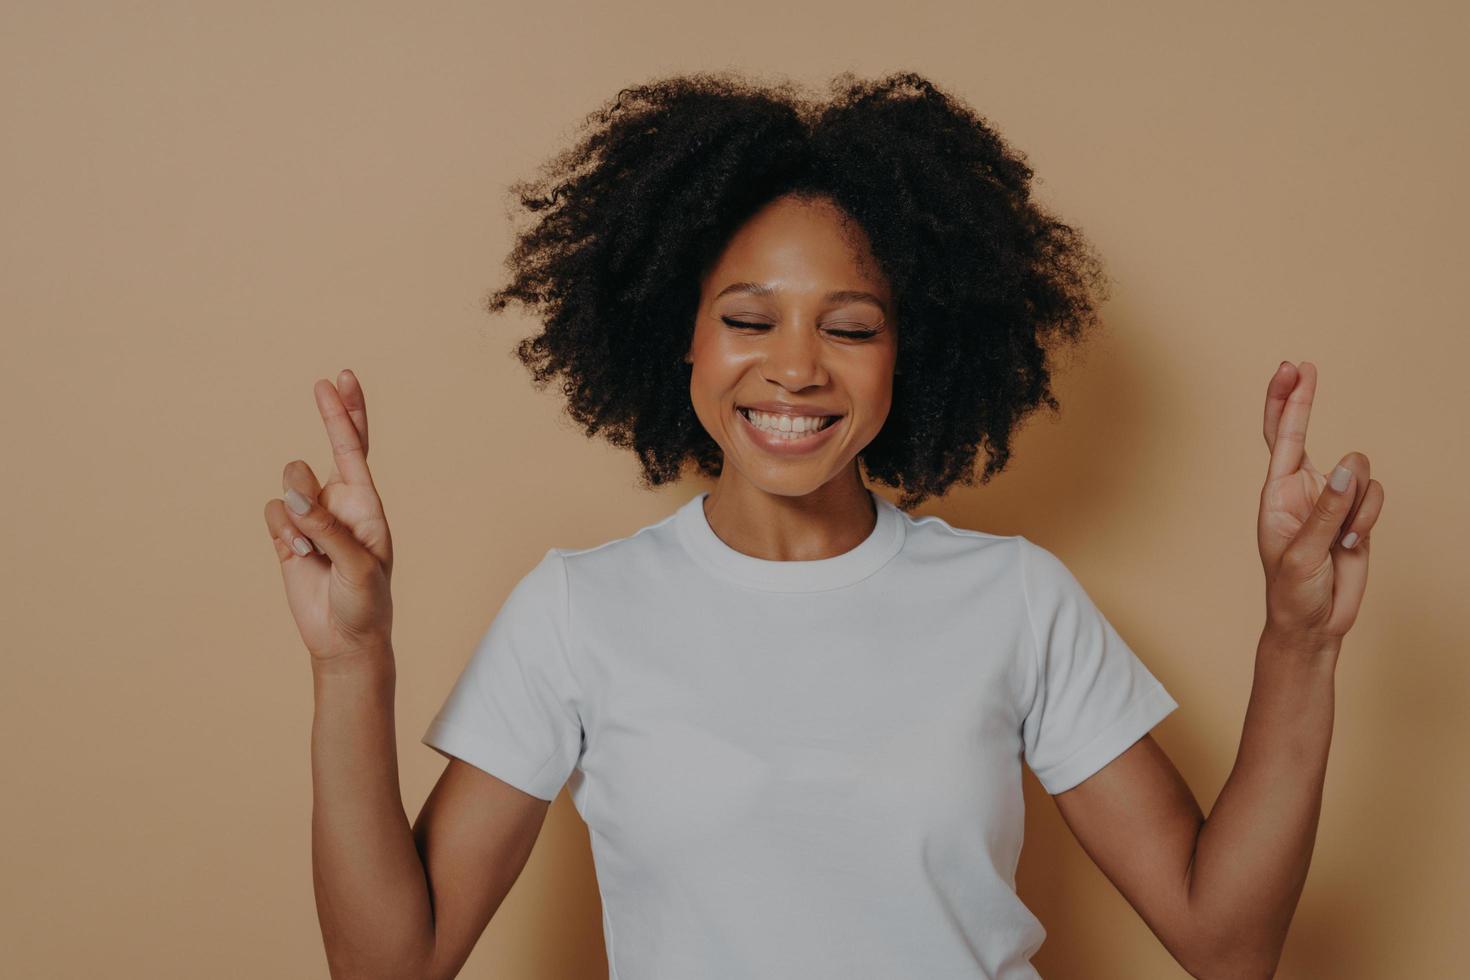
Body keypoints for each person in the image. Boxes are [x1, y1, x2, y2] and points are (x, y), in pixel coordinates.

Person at [264, 71, 1385, 980]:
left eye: (849, 327)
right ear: (682, 339)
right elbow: (390, 965)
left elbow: (1225, 940)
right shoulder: (577, 610)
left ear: (914, 353)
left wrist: (1302, 641)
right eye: (749, 318)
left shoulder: (1015, 597)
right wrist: (352, 659)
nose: (794, 366)